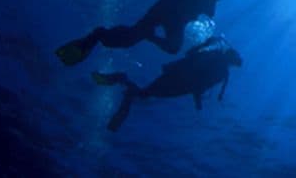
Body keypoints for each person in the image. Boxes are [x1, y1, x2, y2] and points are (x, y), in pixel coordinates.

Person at [55, 0, 225, 66]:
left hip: (171, 16)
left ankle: (103, 35)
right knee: (133, 39)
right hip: (165, 11)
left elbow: (208, 11)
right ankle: (98, 35)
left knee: (169, 47)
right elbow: (207, 9)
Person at [91, 36, 242, 131]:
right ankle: (122, 81)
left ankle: (122, 82)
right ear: (232, 61)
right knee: (144, 95)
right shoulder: (221, 71)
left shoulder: (213, 56)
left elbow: (190, 57)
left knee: (144, 94)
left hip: (174, 76)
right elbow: (201, 85)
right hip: (179, 84)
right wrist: (198, 102)